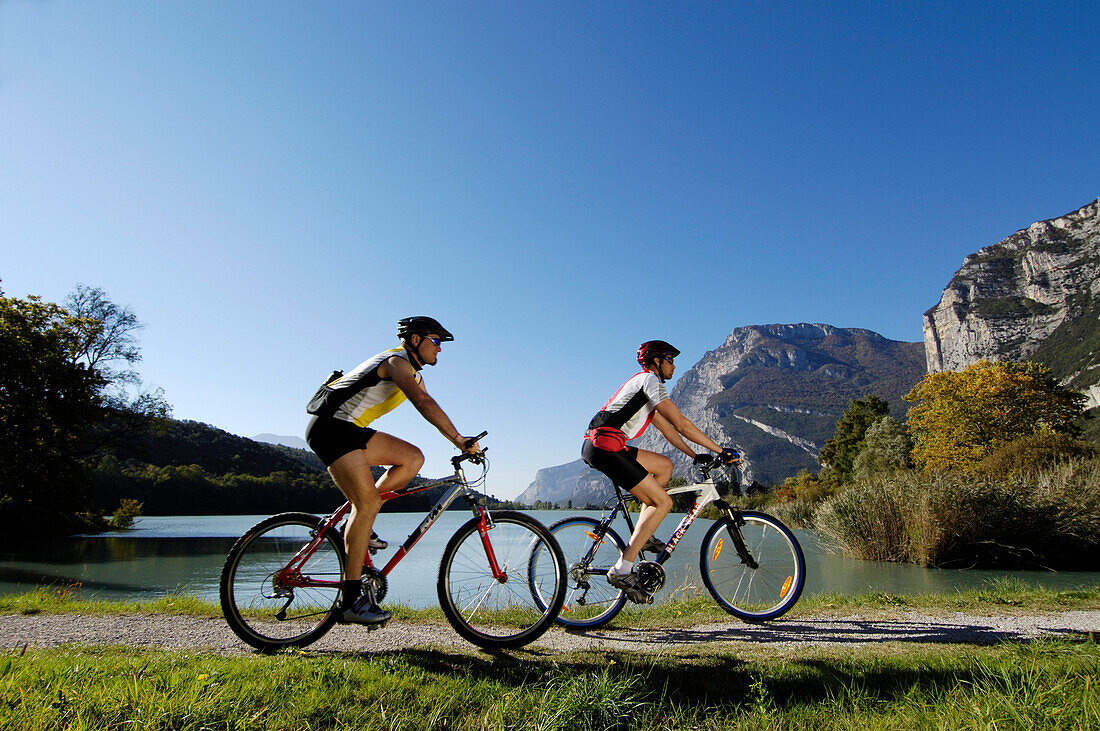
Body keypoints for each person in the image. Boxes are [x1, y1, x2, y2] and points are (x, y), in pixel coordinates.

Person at [305, 316, 482, 625]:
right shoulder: (396, 362)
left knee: (413, 458)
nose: (440, 349)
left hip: (351, 430)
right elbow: (423, 403)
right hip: (331, 428)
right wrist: (458, 439)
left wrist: (459, 440)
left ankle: (360, 519)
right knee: (369, 503)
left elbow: (431, 404)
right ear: (415, 340)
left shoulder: (411, 371)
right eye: (436, 341)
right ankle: (349, 601)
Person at [582, 340, 737, 603]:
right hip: (604, 446)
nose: (674, 365)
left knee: (665, 466)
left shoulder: (646, 393)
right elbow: (682, 424)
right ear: (656, 361)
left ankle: (643, 534)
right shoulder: (649, 382)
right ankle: (622, 570)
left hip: (609, 445)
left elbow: (669, 430)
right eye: (670, 360)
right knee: (664, 501)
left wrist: (695, 454)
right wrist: (720, 450)